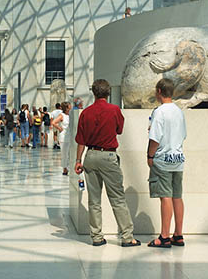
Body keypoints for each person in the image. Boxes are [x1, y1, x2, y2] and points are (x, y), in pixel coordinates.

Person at [74, 79, 140, 247]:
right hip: (108, 157)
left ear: (94, 93)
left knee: (94, 200)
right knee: (117, 198)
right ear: (108, 93)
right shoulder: (114, 110)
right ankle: (127, 237)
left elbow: (81, 140)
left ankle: (96, 237)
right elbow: (119, 129)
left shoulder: (86, 113)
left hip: (90, 156)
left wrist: (77, 160)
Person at [146, 78, 186, 248]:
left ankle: (164, 236)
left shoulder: (160, 112)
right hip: (178, 159)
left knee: (166, 197)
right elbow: (183, 134)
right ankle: (178, 234)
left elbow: (154, 138)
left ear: (159, 92)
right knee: (177, 196)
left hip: (163, 159)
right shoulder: (179, 111)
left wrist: (150, 155)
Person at [54, 102, 71, 175]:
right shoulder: (62, 115)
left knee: (70, 154)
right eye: (69, 106)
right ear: (66, 108)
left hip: (70, 136)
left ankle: (69, 167)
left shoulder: (70, 115)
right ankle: (64, 169)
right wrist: (59, 128)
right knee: (64, 154)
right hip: (63, 137)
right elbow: (53, 122)